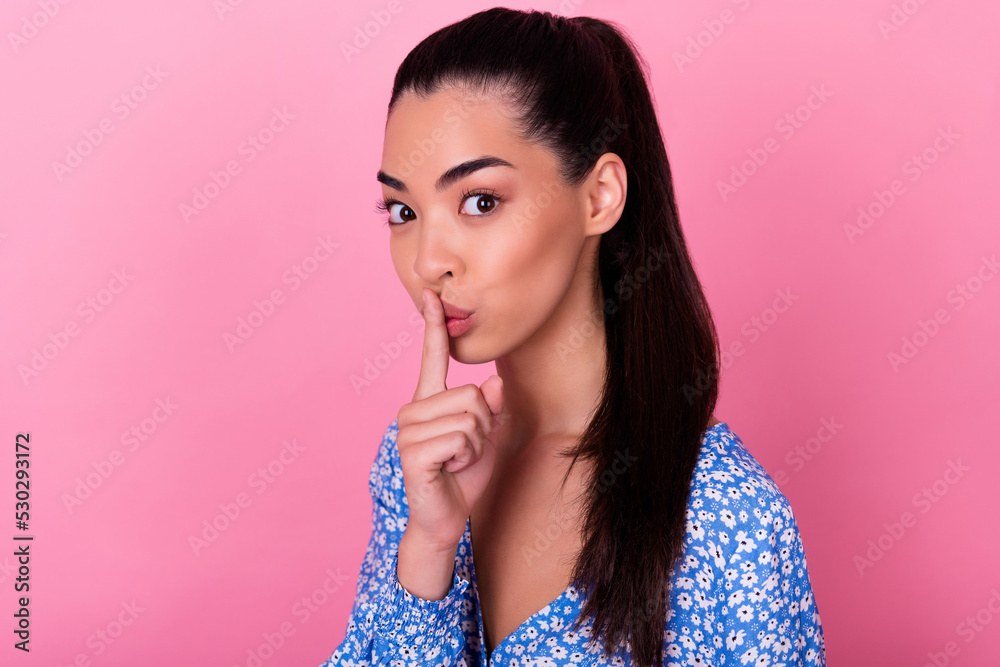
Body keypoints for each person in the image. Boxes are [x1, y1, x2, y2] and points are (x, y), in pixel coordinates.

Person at [318, 7, 825, 667]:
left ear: (599, 197)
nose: (427, 262)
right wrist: (429, 545)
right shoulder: (420, 465)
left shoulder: (726, 521)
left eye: (479, 201)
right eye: (403, 211)